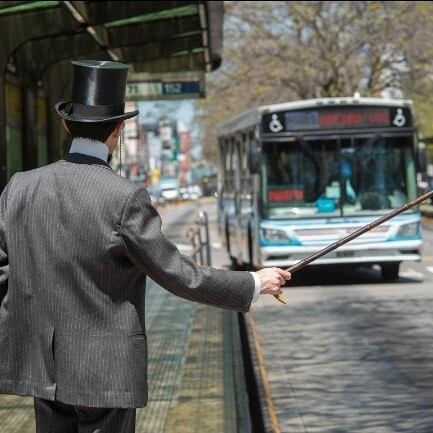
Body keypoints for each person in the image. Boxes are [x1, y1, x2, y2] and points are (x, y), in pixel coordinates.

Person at [0, 60, 290, 433]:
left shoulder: (19, 187)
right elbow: (178, 274)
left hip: (41, 367)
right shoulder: (124, 198)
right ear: (119, 129)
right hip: (106, 373)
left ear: (66, 124)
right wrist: (252, 283)